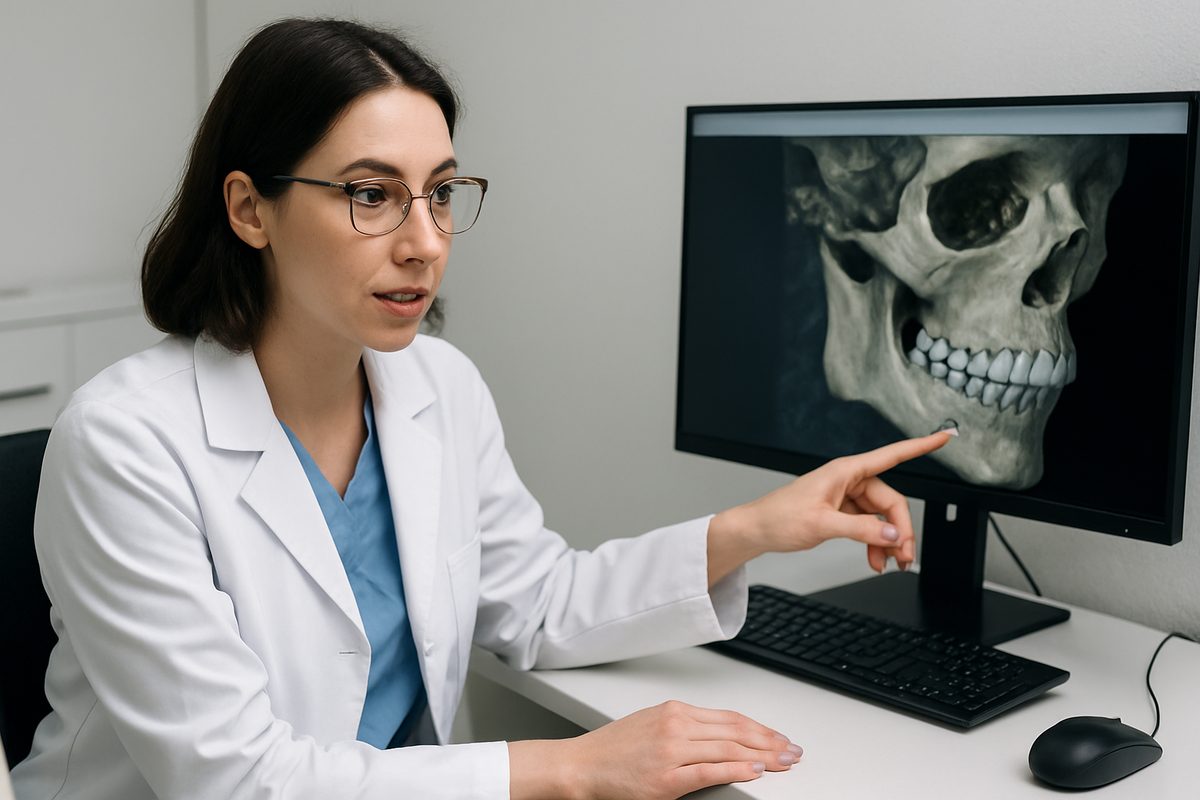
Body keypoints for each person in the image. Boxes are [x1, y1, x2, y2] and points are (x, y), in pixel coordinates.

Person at [11, 17, 951, 800]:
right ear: (250, 210)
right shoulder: (126, 443)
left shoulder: (437, 386)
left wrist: (753, 527)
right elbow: (237, 779)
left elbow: (537, 604)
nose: (426, 243)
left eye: (443, 193)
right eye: (372, 195)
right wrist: (573, 766)